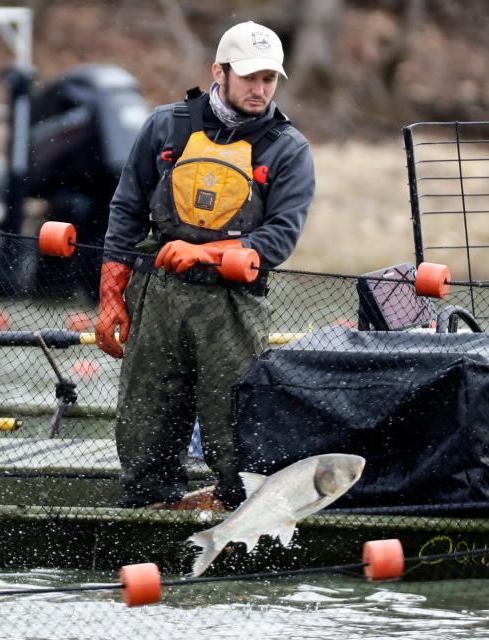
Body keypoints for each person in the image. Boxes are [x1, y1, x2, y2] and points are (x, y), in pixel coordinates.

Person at [96, 21, 316, 510]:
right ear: (219, 72)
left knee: (235, 429)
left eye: (269, 80)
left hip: (232, 309)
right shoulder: (165, 126)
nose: (260, 90)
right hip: (156, 299)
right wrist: (111, 298)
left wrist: (206, 253)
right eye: (249, 78)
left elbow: (279, 239)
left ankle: (240, 518)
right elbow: (125, 214)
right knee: (144, 423)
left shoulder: (288, 149)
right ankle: (147, 515)